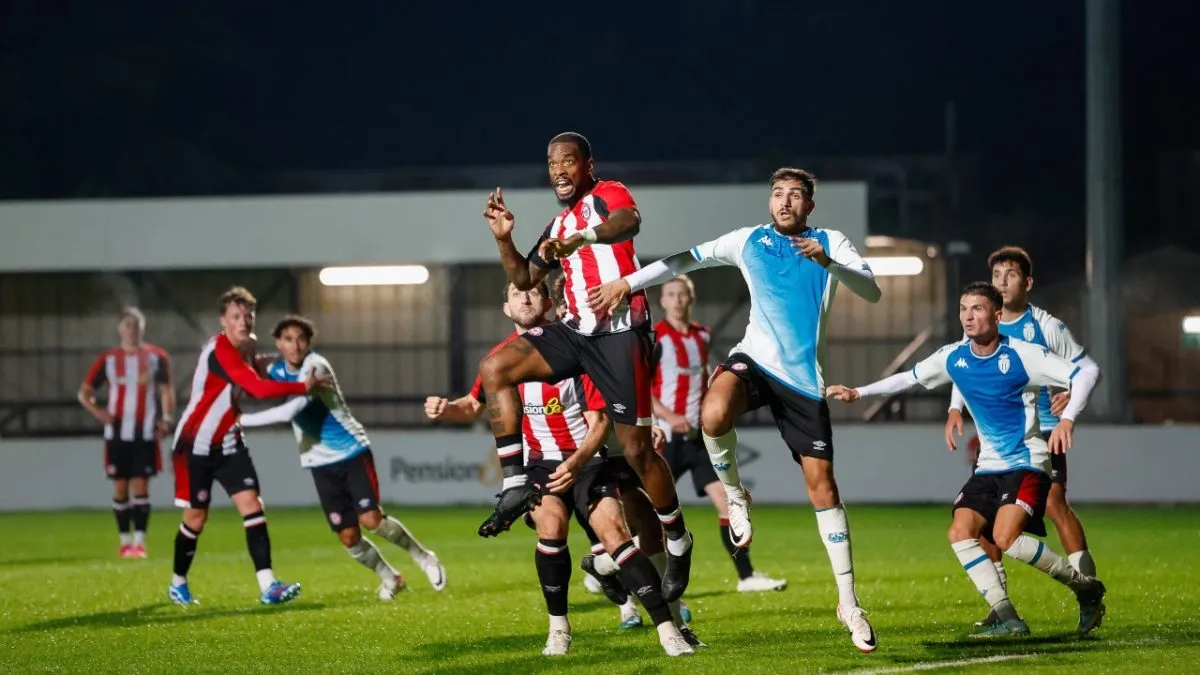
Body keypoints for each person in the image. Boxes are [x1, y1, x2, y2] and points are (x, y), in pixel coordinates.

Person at [588, 168, 882, 651]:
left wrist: (829, 262)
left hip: (804, 381)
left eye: (795, 196)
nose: (785, 201)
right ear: (770, 202)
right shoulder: (748, 241)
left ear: (809, 206)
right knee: (714, 412)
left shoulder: (832, 241)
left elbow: (871, 291)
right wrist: (626, 281)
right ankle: (735, 493)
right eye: (778, 194)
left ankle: (848, 603)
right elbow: (684, 261)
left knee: (823, 488)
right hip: (755, 360)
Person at [475, 132, 694, 602]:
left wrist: (583, 237)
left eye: (567, 161)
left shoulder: (606, 196)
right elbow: (522, 277)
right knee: (495, 368)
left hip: (619, 334)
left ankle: (678, 538)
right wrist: (504, 238)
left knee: (636, 451)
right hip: (575, 334)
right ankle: (515, 482)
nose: (558, 170)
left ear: (587, 164)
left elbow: (628, 223)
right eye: (552, 163)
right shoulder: (557, 224)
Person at [426, 281, 695, 656]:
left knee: (635, 529)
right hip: (542, 468)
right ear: (505, 308)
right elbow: (473, 405)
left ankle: (670, 625)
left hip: (592, 458)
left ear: (549, 304)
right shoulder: (500, 362)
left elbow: (602, 417)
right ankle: (561, 628)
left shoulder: (574, 347)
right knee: (554, 527)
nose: (523, 298)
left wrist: (583, 459)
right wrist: (445, 410)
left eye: (531, 292)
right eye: (515, 293)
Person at [827, 282, 1108, 638]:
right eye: (963, 308)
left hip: (1027, 462)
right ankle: (1008, 617)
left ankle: (1085, 588)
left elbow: (1083, 374)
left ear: (997, 314)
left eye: (977, 309)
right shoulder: (954, 356)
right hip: (989, 466)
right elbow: (910, 378)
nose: (968, 316)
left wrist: (1068, 418)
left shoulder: (1024, 354)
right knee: (960, 533)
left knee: (1005, 537)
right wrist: (858, 392)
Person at [943, 246, 1102, 629]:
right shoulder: (979, 323)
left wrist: (1069, 408)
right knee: (985, 518)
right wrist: (954, 408)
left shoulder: (1044, 326)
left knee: (1055, 503)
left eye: (1010, 274)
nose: (1002, 280)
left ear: (1027, 283)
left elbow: (1085, 369)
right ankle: (1001, 607)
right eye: (996, 274)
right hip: (999, 433)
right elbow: (966, 369)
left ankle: (1087, 590)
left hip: (1043, 432)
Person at [235, 314, 446, 600]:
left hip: (351, 451)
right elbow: (253, 367)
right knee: (348, 537)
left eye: (300, 339)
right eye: (288, 339)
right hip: (318, 462)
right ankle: (390, 578)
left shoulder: (316, 368)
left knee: (372, 520)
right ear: (278, 343)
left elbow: (288, 412)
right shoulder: (278, 368)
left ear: (309, 342)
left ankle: (423, 557)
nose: (295, 345)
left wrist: (240, 420)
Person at [167, 286, 329, 607]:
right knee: (196, 519)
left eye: (248, 316)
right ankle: (178, 582)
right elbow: (255, 387)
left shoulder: (248, 346)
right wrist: (302, 386)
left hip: (229, 442)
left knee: (253, 507)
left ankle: (268, 586)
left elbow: (259, 365)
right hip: (195, 445)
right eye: (236, 317)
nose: (243, 322)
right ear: (223, 321)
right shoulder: (221, 352)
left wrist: (286, 359)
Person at [651, 275, 787, 592]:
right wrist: (669, 415)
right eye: (671, 294)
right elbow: (641, 386)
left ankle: (747, 576)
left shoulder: (702, 336)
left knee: (727, 503)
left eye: (682, 294)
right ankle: (622, 566)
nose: (677, 300)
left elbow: (708, 376)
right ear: (663, 301)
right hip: (666, 438)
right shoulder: (656, 337)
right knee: (651, 512)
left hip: (698, 440)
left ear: (691, 298)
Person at [78, 307, 174, 558]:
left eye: (136, 325)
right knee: (120, 487)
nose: (132, 330)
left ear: (143, 328)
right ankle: (124, 543)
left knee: (141, 486)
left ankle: (139, 543)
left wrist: (166, 418)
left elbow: (166, 391)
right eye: (128, 325)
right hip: (117, 434)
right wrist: (98, 411)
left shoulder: (156, 357)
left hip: (145, 433)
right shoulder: (108, 359)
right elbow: (84, 392)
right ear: (120, 329)